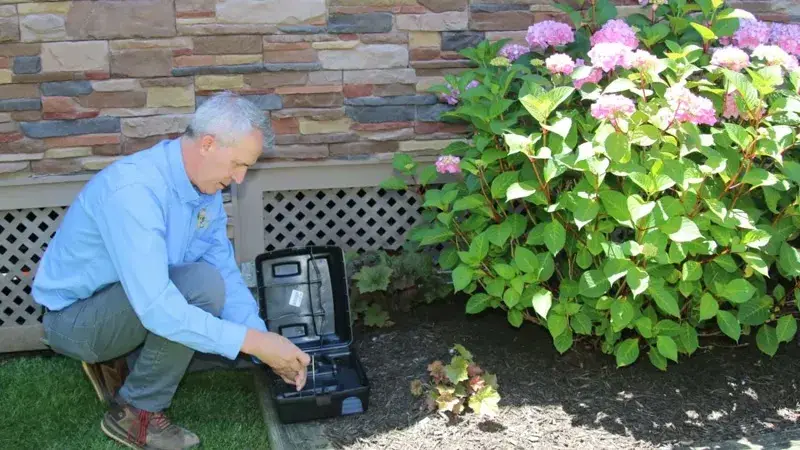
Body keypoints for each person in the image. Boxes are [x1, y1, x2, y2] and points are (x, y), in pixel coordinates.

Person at [31, 91, 311, 450]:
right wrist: (253, 342)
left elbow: (223, 270)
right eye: (239, 164)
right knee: (195, 289)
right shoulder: (135, 192)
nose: (240, 179)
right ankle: (136, 412)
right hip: (74, 321)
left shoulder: (204, 191)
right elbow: (159, 307)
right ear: (208, 144)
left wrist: (263, 345)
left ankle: (125, 362)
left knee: (208, 282)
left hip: (122, 300)